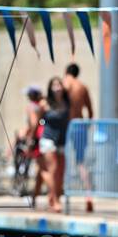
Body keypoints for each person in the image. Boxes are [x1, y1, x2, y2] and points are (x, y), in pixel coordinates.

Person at [63, 63, 94, 212]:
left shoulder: (64, 84)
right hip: (80, 125)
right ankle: (88, 195)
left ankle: (55, 195)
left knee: (57, 159)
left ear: (66, 72)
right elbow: (91, 111)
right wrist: (86, 126)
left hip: (65, 126)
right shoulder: (83, 87)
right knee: (81, 162)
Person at [37, 77, 70, 213]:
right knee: (53, 169)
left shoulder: (67, 103)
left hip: (62, 140)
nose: (57, 87)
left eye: (59, 85)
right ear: (50, 88)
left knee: (60, 172)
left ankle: (52, 197)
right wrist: (32, 137)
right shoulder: (45, 103)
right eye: (54, 85)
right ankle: (56, 200)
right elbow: (37, 121)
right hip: (48, 139)